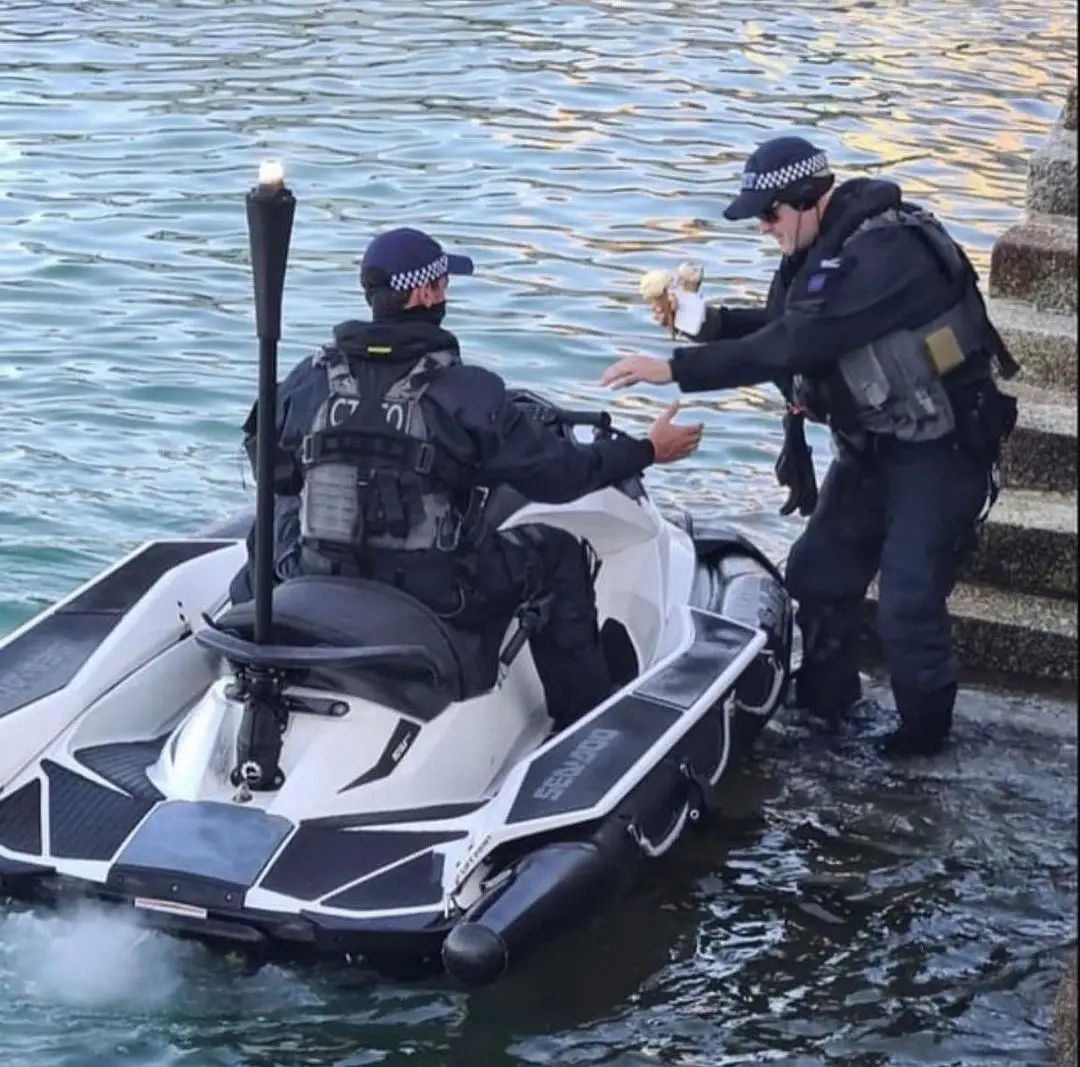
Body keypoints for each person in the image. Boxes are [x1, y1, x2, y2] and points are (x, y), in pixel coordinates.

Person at [600, 136, 1019, 757]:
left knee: (906, 606)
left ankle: (924, 749)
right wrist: (710, 323)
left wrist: (676, 368)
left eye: (770, 215)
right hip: (873, 447)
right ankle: (825, 713)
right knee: (817, 575)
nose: (765, 229)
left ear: (807, 199)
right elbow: (789, 328)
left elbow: (800, 342)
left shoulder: (888, 252)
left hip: (940, 451)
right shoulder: (819, 251)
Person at [232, 225, 703, 734]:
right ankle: (582, 725)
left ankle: (254, 659)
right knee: (558, 554)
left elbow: (269, 469)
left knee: (269, 521)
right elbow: (562, 477)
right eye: (442, 284)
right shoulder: (468, 392)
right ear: (424, 292)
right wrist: (647, 450)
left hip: (314, 568)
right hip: (436, 591)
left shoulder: (308, 377)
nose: (445, 295)